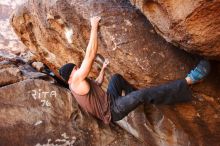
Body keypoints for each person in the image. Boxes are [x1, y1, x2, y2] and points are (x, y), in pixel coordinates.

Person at [59, 16, 210, 124]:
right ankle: (189, 80)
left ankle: (133, 98)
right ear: (70, 77)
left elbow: (96, 84)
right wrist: (93, 26)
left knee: (116, 78)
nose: (78, 69)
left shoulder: (77, 85)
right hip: (113, 111)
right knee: (141, 95)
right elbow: (90, 55)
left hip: (110, 99)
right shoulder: (76, 82)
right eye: (75, 69)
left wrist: (103, 69)